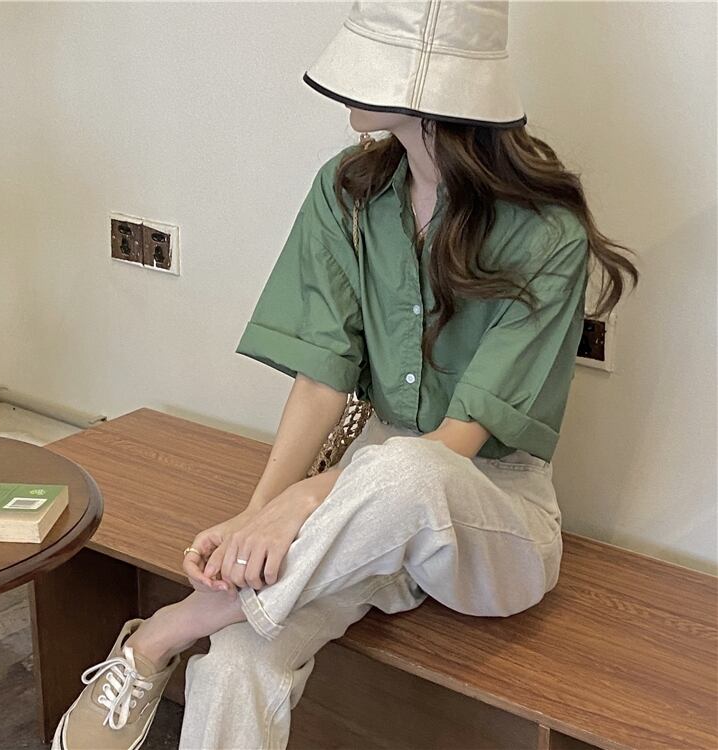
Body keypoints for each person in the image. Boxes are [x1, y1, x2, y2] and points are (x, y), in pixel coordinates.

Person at [52, 2, 639, 749]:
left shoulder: (547, 231)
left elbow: (458, 443)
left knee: (408, 469)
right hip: (358, 506)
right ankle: (209, 632)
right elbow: (321, 379)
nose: (347, 86)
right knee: (237, 661)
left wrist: (305, 499)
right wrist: (256, 516)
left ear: (435, 92)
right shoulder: (346, 191)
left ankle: (165, 631)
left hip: (491, 514)